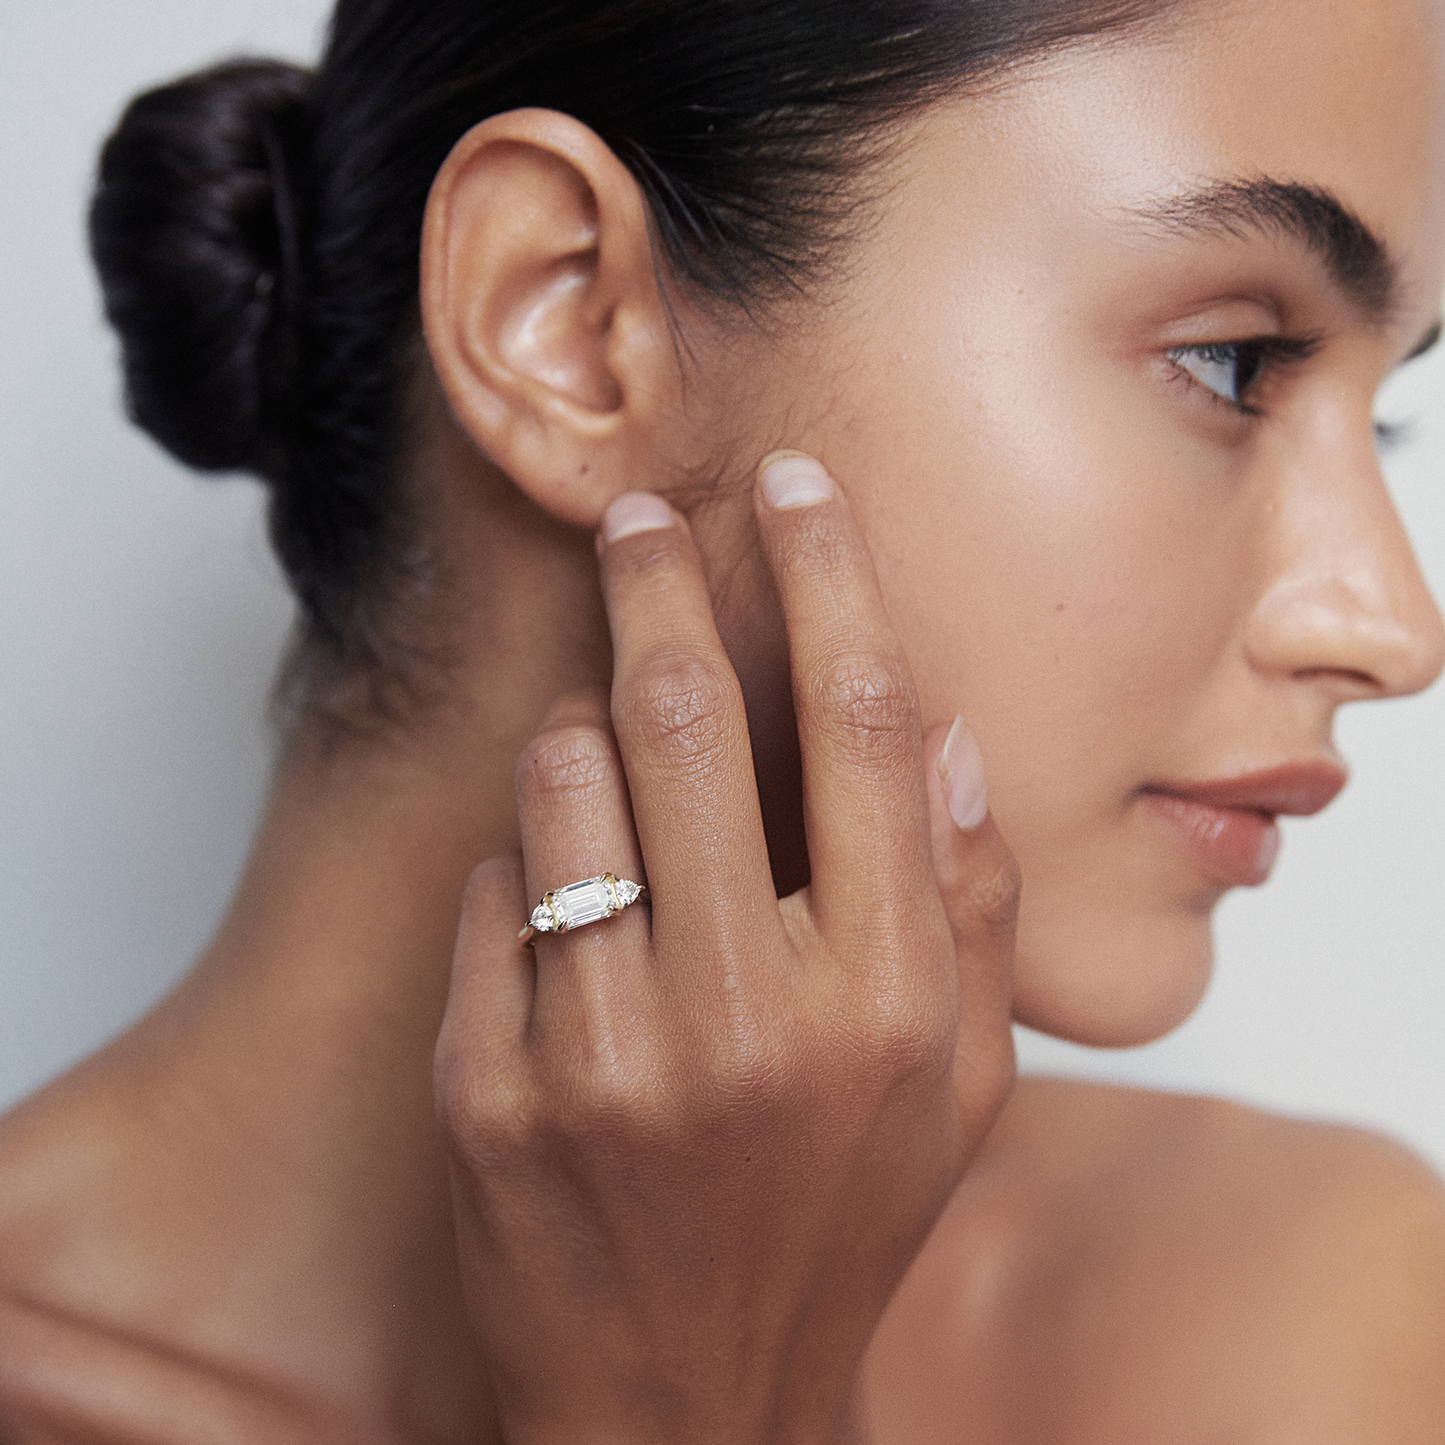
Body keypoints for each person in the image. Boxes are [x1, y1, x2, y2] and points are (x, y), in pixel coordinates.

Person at [2, 0, 1444, 1437]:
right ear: (565, 321)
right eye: (1234, 361)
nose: (1393, 627)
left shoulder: (1289, 1305)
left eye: (1382, 417)